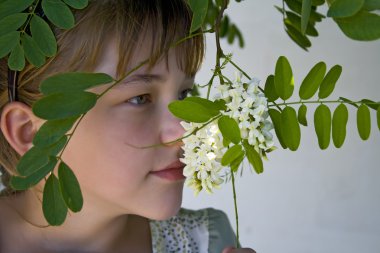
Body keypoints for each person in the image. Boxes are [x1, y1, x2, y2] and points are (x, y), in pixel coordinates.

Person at [0, 0, 256, 252]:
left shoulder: (208, 241)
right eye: (139, 99)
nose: (186, 131)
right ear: (31, 132)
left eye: (183, 94)